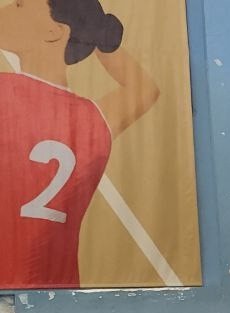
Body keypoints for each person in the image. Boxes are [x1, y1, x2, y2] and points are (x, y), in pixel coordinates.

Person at [0, 0, 159, 288]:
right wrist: (102, 40)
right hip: (58, 285)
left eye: (20, 5)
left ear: (53, 32)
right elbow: (145, 89)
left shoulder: (5, 90)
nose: (6, 8)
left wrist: (95, 31)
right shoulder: (96, 119)